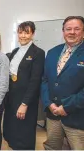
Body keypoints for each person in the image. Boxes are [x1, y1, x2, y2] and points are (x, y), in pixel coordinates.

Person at [41, 16, 84, 150]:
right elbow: (44, 80)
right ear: (63, 31)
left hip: (76, 116)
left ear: (83, 31)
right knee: (52, 147)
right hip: (53, 114)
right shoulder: (53, 52)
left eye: (76, 29)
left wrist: (67, 106)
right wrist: (49, 103)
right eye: (68, 29)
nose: (72, 32)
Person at [3, 21, 45, 150]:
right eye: (20, 32)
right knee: (12, 133)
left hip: (25, 102)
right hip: (12, 100)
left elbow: (35, 81)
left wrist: (24, 104)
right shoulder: (15, 51)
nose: (23, 36)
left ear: (32, 34)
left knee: (24, 136)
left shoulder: (38, 53)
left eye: (27, 33)